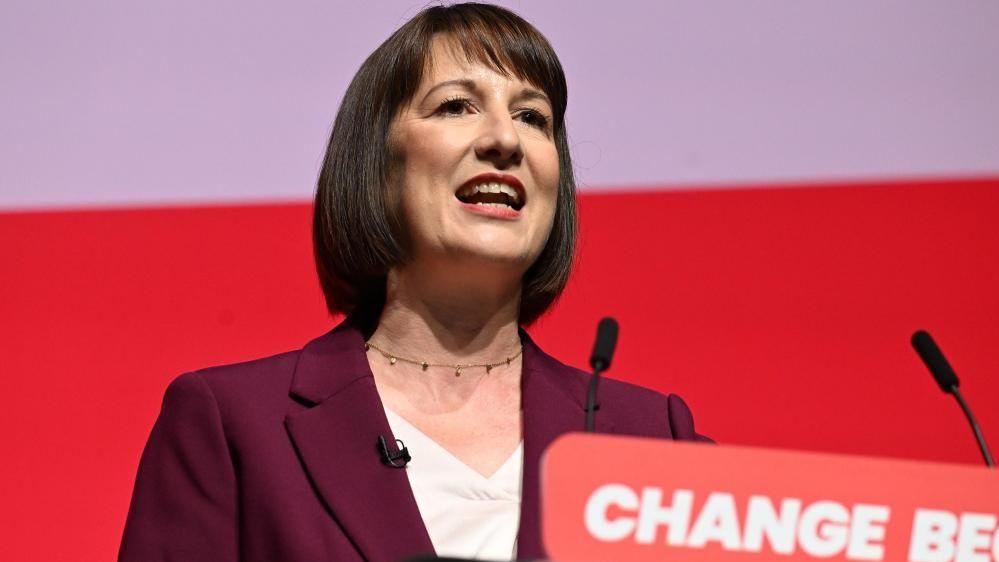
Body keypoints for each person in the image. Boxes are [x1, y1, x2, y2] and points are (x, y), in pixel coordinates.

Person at [118, 3, 710, 562]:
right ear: (378, 163)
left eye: (533, 117)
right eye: (456, 106)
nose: (505, 139)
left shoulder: (650, 438)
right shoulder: (235, 425)